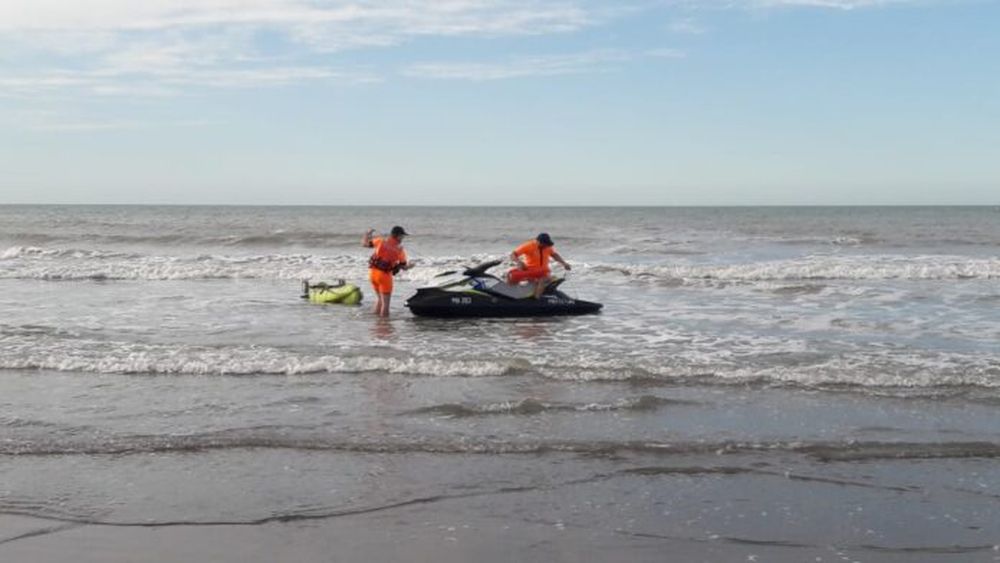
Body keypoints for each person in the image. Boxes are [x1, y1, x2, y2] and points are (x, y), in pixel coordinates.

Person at [362, 225, 411, 317]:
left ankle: (376, 320)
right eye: (403, 236)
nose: (403, 238)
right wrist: (411, 266)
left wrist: (367, 234)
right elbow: (403, 267)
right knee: (386, 305)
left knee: (380, 299)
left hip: (373, 274)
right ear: (398, 236)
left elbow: (365, 244)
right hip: (384, 277)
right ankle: (385, 326)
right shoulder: (400, 250)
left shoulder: (380, 241)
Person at [507, 232, 571, 298]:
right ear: (538, 242)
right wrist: (518, 261)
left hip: (543, 272)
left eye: (547, 244)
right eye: (545, 244)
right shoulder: (529, 245)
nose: (546, 246)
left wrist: (564, 263)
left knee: (547, 278)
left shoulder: (547, 247)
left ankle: (537, 298)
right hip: (530, 270)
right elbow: (513, 254)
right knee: (512, 275)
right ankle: (515, 295)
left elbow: (554, 255)